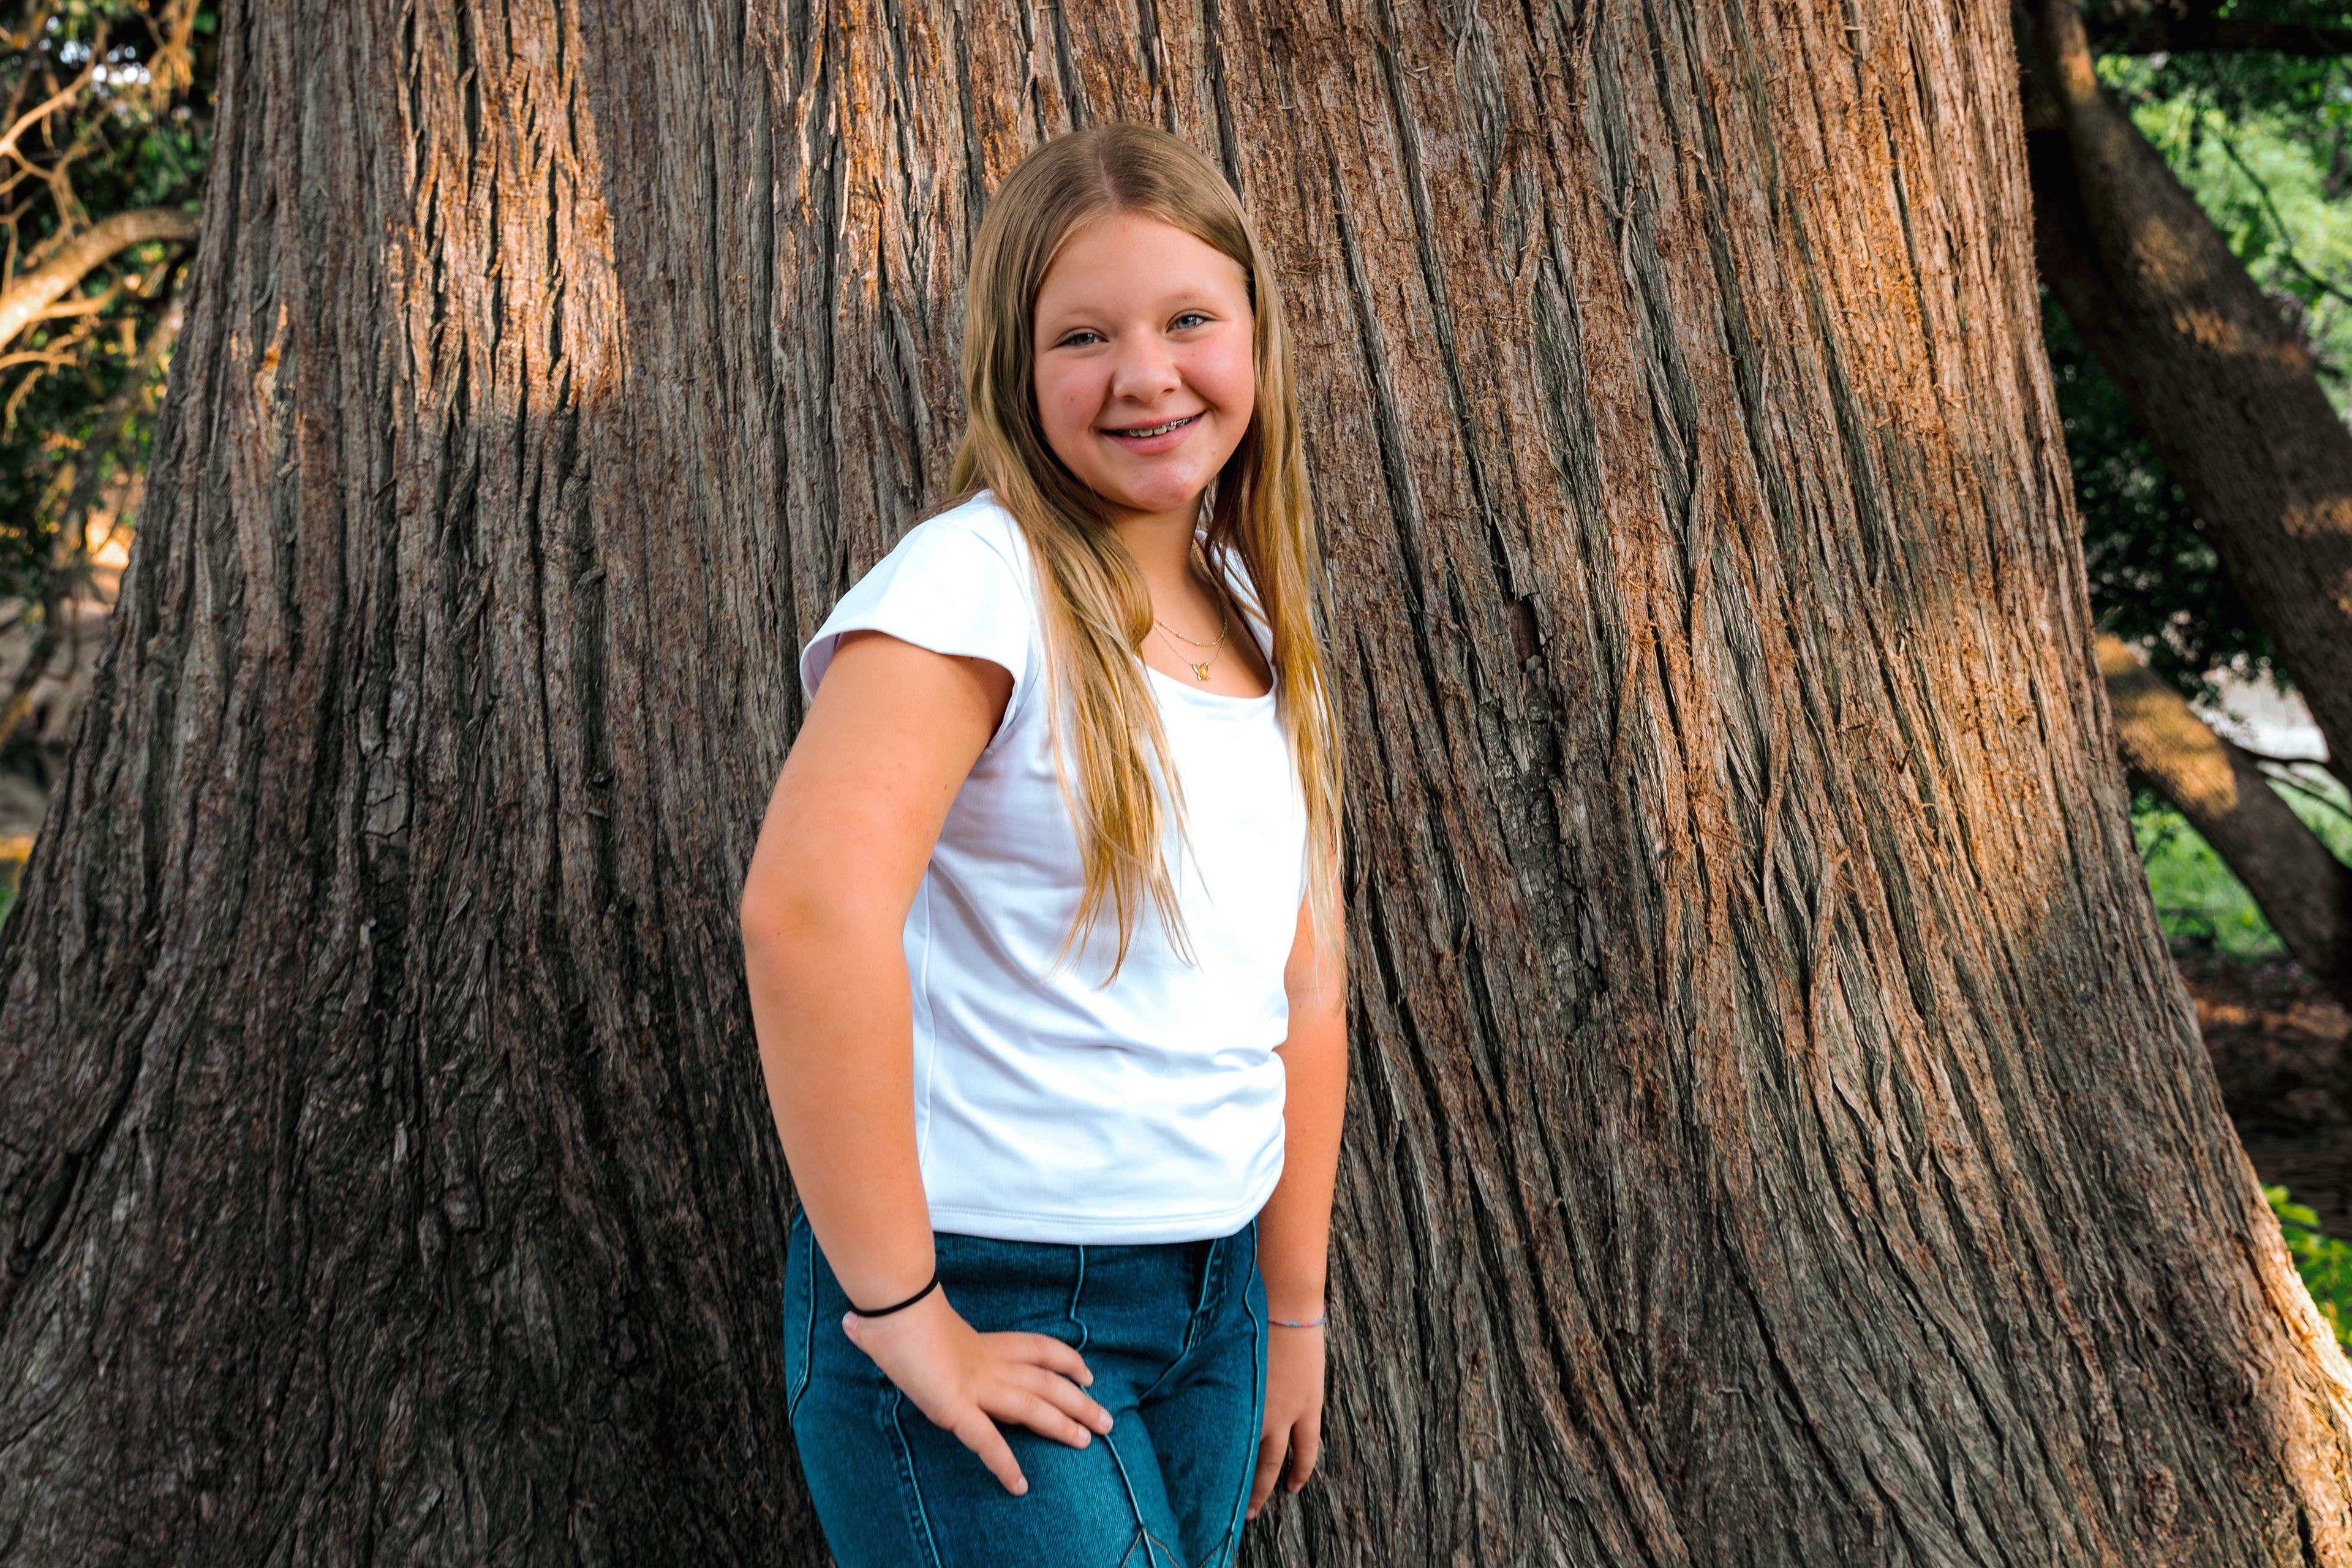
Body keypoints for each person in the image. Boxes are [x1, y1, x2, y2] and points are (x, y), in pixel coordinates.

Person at [739, 123, 1347, 1568]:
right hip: (991, 1286)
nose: (1146, 372)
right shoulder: (975, 582)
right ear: (1015, 371)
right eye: (1084, 335)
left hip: (1210, 1305)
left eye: (1189, 320)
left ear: (1256, 338)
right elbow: (806, 916)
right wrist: (902, 1311)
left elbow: (1301, 984)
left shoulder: (1248, 607)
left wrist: (1292, 1305)